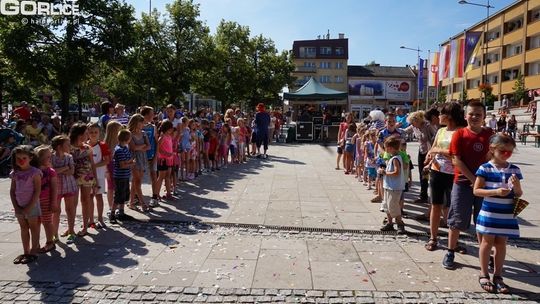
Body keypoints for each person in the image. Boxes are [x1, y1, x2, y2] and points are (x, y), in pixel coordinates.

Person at [443, 101, 494, 270]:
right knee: (457, 219)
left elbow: (492, 156)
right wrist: (474, 180)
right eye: (471, 114)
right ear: (465, 116)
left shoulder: (489, 134)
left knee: (483, 221)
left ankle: (485, 253)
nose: (474, 117)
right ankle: (450, 251)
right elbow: (456, 160)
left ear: (484, 117)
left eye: (478, 114)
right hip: (463, 183)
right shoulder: (460, 134)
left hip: (485, 185)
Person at [473, 134, 523, 294]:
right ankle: (484, 273)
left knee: (501, 244)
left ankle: (498, 275)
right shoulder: (485, 168)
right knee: (486, 243)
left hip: (506, 214)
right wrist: (495, 191)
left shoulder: (515, 169)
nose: (507, 154)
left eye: (509, 152)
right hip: (490, 213)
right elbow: (477, 190)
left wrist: (516, 188)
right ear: (493, 149)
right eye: (503, 151)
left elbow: (519, 193)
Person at [424, 102, 466, 251]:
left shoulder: (461, 131)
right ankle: (433, 238)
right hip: (437, 171)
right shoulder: (441, 131)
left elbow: (457, 155)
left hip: (455, 174)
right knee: (435, 205)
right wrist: (429, 156)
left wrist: (439, 151)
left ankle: (454, 241)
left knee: (453, 209)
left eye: (441, 113)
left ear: (448, 116)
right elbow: (433, 147)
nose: (438, 116)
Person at [10, 145, 42, 264]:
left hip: (31, 205)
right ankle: (26, 251)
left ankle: (34, 251)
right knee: (23, 228)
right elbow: (12, 191)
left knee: (34, 228)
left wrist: (29, 207)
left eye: (24, 157)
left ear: (30, 158)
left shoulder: (35, 172)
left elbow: (37, 191)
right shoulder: (15, 173)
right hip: (19, 205)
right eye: (18, 158)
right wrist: (16, 206)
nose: (21, 161)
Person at [402, 111, 437, 204]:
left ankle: (432, 197)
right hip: (421, 151)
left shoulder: (427, 126)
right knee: (422, 174)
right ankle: (423, 195)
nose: (412, 125)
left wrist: (433, 152)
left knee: (429, 174)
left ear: (418, 120)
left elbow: (436, 137)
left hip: (430, 152)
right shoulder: (414, 127)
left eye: (413, 122)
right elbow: (404, 131)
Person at [70, 123, 97, 237]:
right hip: (73, 178)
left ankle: (85, 227)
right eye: (86, 133)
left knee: (85, 201)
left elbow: (92, 164)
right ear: (79, 135)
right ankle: (70, 229)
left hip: (87, 177)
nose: (88, 135)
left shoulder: (88, 148)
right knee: (72, 203)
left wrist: (96, 180)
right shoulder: (69, 147)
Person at [51, 135, 77, 244]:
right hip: (56, 187)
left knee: (70, 209)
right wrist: (65, 168)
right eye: (67, 144)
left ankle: (71, 231)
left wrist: (61, 170)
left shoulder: (69, 157)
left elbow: (72, 171)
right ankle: (54, 234)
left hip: (69, 185)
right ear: (59, 146)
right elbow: (52, 171)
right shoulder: (51, 157)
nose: (69, 146)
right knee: (56, 211)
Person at [379, 137, 407, 234]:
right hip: (389, 186)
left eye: (386, 147)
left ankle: (400, 223)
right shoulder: (392, 158)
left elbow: (396, 172)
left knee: (393, 206)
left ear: (391, 148)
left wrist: (385, 172)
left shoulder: (395, 159)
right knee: (387, 205)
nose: (385, 149)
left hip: (394, 187)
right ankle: (390, 223)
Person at [35, 145, 58, 253]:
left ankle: (50, 242)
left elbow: (54, 188)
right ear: (39, 159)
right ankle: (36, 243)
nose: (50, 159)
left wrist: (53, 202)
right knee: (36, 222)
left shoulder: (51, 171)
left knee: (47, 221)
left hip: (47, 200)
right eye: (47, 157)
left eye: (50, 156)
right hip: (35, 200)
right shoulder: (34, 171)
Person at [88, 122, 111, 228]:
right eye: (91, 132)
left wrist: (94, 166)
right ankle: (91, 219)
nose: (93, 134)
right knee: (89, 197)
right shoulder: (85, 145)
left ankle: (100, 218)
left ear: (99, 133)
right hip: (87, 176)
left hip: (99, 175)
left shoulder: (103, 145)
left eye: (95, 132)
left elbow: (107, 160)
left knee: (98, 196)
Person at [110, 129, 135, 224]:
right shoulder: (119, 150)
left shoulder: (125, 148)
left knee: (124, 195)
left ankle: (121, 212)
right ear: (127, 139)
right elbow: (122, 165)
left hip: (125, 176)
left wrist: (129, 162)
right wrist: (131, 164)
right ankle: (112, 213)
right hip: (120, 176)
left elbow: (127, 160)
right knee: (118, 196)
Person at [128, 114, 150, 212]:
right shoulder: (130, 134)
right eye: (141, 122)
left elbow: (149, 146)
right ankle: (142, 202)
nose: (143, 124)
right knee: (137, 181)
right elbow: (133, 147)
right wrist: (142, 146)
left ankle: (131, 202)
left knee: (136, 181)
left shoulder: (144, 133)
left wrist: (140, 147)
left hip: (142, 158)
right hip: (134, 159)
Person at [141, 107, 159, 207]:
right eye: (152, 114)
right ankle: (136, 196)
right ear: (146, 115)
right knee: (138, 177)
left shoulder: (153, 127)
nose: (153, 115)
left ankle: (155, 196)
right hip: (141, 155)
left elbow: (157, 142)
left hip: (151, 155)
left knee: (153, 175)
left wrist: (156, 156)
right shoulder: (138, 126)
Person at [104, 121, 122, 213]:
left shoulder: (119, 143)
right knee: (111, 188)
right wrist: (106, 171)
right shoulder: (106, 145)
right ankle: (111, 207)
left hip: (117, 167)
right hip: (111, 168)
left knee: (116, 188)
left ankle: (116, 206)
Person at [156, 121, 174, 200]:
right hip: (163, 159)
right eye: (170, 128)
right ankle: (156, 194)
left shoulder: (169, 136)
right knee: (161, 177)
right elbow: (158, 147)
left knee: (168, 177)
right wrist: (166, 153)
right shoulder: (162, 136)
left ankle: (168, 193)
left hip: (169, 159)